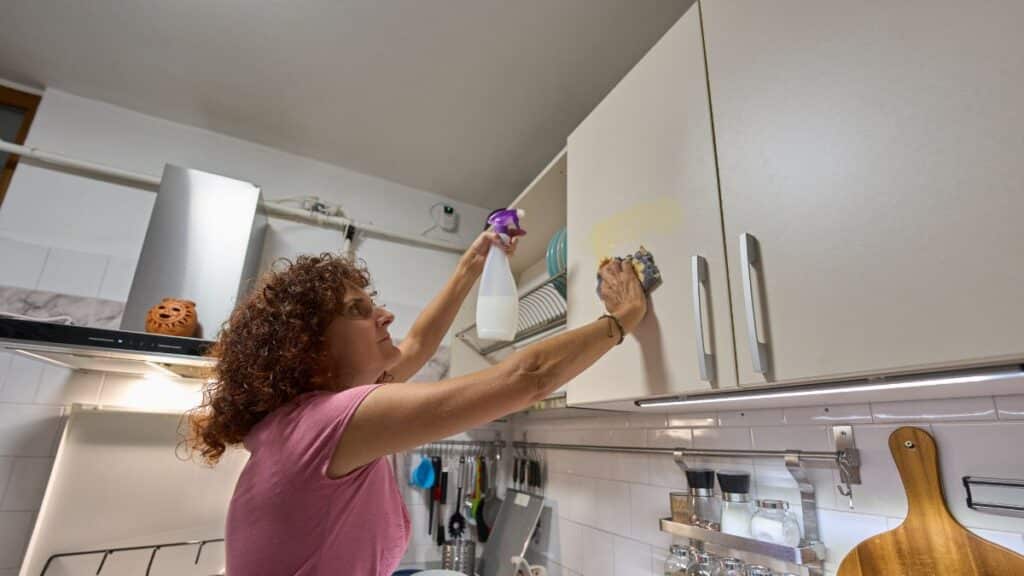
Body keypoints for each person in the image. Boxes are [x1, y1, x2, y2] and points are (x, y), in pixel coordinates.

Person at [187, 230, 647, 575]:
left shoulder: (294, 423)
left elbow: (418, 345)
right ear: (308, 347)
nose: (384, 315)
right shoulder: (325, 424)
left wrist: (473, 262)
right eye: (358, 310)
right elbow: (528, 378)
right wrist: (623, 317)